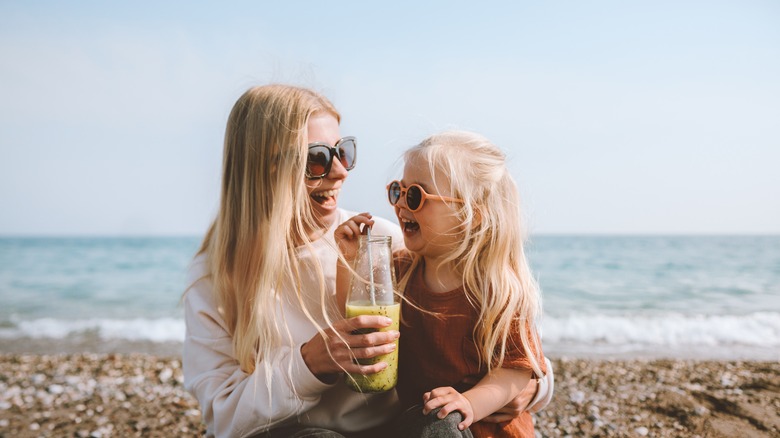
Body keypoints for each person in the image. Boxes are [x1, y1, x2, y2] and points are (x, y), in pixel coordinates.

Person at [183, 85, 551, 438]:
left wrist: (523, 389)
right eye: (317, 158)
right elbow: (224, 418)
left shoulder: (380, 241)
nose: (342, 171)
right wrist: (309, 363)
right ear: (261, 169)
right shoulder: (215, 279)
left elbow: (510, 348)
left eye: (343, 152)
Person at [335, 130, 551, 437]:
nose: (400, 206)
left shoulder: (496, 290)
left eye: (415, 196)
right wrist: (349, 259)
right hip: (419, 424)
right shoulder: (401, 270)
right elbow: (362, 322)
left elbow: (515, 370)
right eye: (399, 191)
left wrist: (469, 403)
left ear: (470, 215)